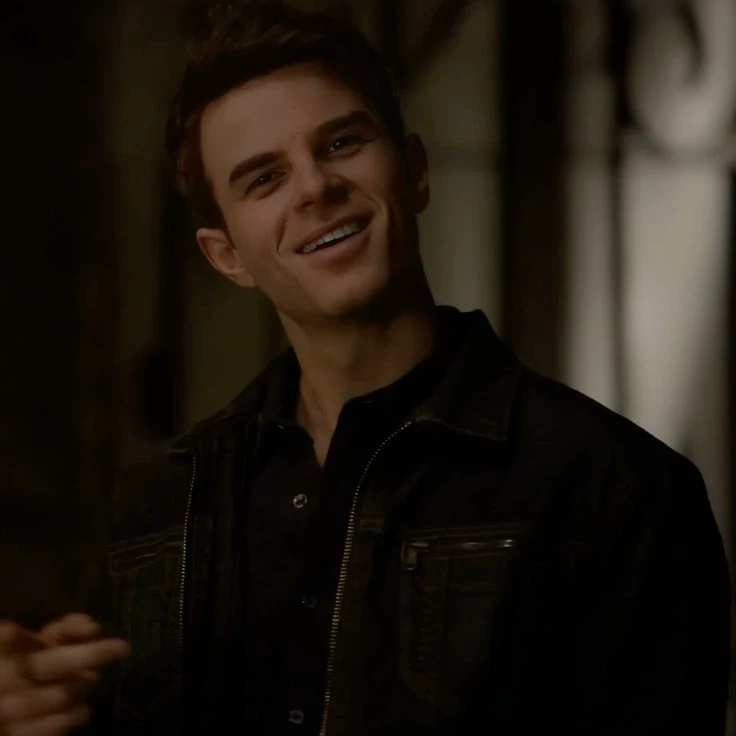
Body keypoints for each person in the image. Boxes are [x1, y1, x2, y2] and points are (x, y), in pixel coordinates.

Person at [0, 2, 731, 735]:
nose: (315, 188)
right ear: (227, 256)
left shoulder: (617, 489)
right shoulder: (160, 505)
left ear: (413, 173)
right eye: (264, 178)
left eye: (341, 143)